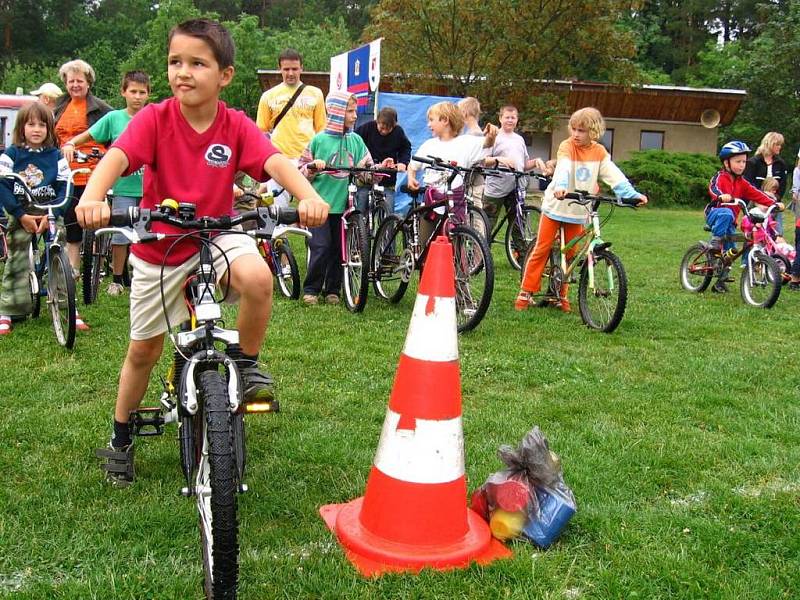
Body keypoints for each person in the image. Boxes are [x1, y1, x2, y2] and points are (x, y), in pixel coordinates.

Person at [76, 18, 329, 486]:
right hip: (161, 247)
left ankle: (247, 365)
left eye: (197, 63)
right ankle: (120, 436)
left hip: (217, 234)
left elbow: (273, 160)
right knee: (143, 351)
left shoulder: (234, 125)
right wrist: (93, 197)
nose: (183, 72)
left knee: (258, 277)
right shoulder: (154, 118)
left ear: (225, 75)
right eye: (175, 62)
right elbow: (116, 157)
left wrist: (307, 195)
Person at [515, 107, 647, 312]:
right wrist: (560, 187)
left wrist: (631, 194)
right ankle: (526, 290)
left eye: (582, 130)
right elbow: (564, 168)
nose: (576, 134)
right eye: (574, 129)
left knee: (571, 254)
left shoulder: (599, 152)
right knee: (542, 248)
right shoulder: (567, 146)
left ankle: (560, 294)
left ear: (593, 131)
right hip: (557, 205)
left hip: (578, 210)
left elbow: (613, 174)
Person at [62, 70, 151, 296]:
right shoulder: (114, 119)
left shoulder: (152, 118)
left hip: (151, 187)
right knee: (120, 233)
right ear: (124, 92)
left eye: (142, 92)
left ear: (149, 94)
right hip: (124, 187)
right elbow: (89, 135)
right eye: (133, 91)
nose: (137, 97)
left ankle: (145, 276)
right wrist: (71, 143)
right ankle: (118, 277)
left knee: (148, 232)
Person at [0, 102, 69, 335]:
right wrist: (20, 215)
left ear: (50, 129)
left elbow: (64, 187)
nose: (37, 129)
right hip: (21, 211)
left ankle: (66, 303)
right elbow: (3, 185)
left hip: (49, 211)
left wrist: (54, 213)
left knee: (59, 248)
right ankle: (10, 308)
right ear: (21, 127)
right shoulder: (11, 154)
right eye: (31, 124)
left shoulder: (56, 156)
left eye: (42, 125)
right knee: (18, 254)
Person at [298, 91, 372, 305]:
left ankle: (333, 290)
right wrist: (312, 167)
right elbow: (301, 172)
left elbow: (365, 169)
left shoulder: (356, 141)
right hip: (320, 207)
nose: (355, 115)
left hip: (345, 208)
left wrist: (375, 168)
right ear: (338, 112)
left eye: (354, 111)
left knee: (340, 249)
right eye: (350, 111)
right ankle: (311, 288)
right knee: (321, 247)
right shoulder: (318, 141)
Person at [53, 59, 112, 289]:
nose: (75, 85)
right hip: (67, 172)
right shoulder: (58, 107)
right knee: (70, 219)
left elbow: (115, 134)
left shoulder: (101, 108)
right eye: (71, 81)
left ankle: (95, 264)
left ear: (88, 83)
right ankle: (73, 267)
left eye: (79, 81)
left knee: (93, 218)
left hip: (94, 169)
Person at [406, 101, 495, 246]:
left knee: (454, 243)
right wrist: (411, 178)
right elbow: (413, 165)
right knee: (426, 246)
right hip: (432, 204)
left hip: (455, 201)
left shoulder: (465, 143)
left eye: (432, 120)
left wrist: (492, 135)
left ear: (445, 120)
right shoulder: (429, 145)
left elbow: (487, 143)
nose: (429, 125)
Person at [705, 140, 782, 293]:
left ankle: (720, 282)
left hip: (730, 223)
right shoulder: (720, 178)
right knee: (726, 213)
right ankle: (714, 244)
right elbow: (713, 188)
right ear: (726, 163)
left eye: (744, 162)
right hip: (715, 214)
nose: (741, 165)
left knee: (731, 252)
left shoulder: (743, 183)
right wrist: (722, 196)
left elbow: (756, 193)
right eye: (737, 161)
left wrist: (774, 202)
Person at [256, 48, 326, 207]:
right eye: (286, 69)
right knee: (277, 209)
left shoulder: (315, 94)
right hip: (279, 158)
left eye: (294, 69)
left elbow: (321, 129)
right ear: (279, 69)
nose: (290, 73)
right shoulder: (268, 96)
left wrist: (319, 157)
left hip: (307, 159)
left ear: (302, 68)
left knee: (312, 206)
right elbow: (261, 132)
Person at [482, 104, 546, 233]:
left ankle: (520, 252)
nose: (510, 120)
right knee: (487, 223)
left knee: (518, 223)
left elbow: (523, 165)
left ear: (517, 120)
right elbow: (482, 161)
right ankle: (481, 249)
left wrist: (535, 162)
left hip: (516, 187)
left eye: (513, 118)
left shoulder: (519, 139)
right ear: (500, 118)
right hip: (496, 188)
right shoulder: (494, 137)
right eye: (507, 117)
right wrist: (499, 159)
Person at [354, 107, 411, 215]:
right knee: (361, 206)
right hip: (366, 177)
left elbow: (406, 148)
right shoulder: (368, 127)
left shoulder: (398, 132)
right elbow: (354, 140)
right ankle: (359, 229)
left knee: (388, 211)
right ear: (377, 121)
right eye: (381, 128)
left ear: (394, 126)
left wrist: (403, 162)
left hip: (387, 178)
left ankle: (387, 230)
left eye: (387, 129)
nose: (383, 131)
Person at [743, 132, 788, 235]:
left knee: (777, 232)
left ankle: (774, 251)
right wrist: (758, 201)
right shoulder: (753, 162)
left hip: (774, 204)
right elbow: (748, 184)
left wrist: (775, 200)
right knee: (753, 234)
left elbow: (783, 184)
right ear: (769, 144)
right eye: (777, 144)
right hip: (755, 204)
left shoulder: (781, 163)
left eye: (780, 145)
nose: (780, 147)